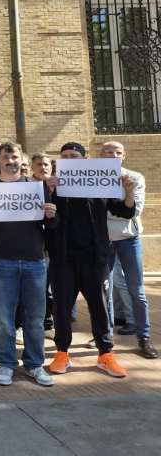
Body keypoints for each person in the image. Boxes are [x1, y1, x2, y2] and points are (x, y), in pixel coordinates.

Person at [46, 142, 136, 378]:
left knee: (99, 306)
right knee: (62, 307)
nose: (69, 159)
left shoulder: (98, 183)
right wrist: (47, 191)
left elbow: (124, 212)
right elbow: (43, 220)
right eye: (64, 156)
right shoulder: (51, 186)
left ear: (84, 160)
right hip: (63, 258)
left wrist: (128, 192)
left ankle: (105, 355)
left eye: (74, 155)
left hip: (95, 258)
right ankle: (62, 353)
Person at [0, 143, 56, 387]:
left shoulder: (36, 187)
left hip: (34, 261)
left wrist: (52, 215)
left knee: (35, 319)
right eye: (5, 156)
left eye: (15, 156)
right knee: (4, 320)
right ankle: (6, 364)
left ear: (22, 159)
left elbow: (51, 227)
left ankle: (34, 365)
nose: (11, 160)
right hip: (1, 262)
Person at [99, 141, 157, 359]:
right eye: (108, 151)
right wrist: (119, 207)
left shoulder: (134, 178)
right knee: (105, 289)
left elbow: (133, 212)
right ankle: (106, 336)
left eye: (117, 152)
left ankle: (144, 337)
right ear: (100, 154)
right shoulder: (91, 178)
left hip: (128, 239)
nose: (112, 155)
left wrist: (109, 210)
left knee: (137, 290)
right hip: (103, 241)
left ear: (124, 156)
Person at [31, 153, 56, 337]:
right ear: (32, 167)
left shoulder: (59, 187)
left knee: (49, 288)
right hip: (33, 244)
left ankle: (48, 323)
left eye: (46, 164)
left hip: (54, 243)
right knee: (37, 287)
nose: (43, 167)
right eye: (39, 164)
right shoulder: (26, 186)